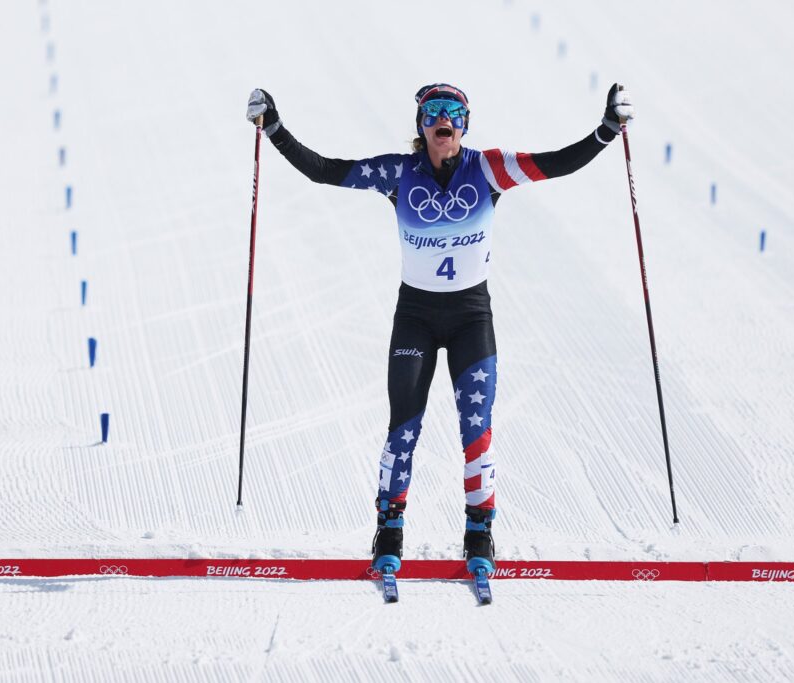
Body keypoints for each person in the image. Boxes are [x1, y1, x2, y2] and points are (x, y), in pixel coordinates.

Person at [245, 82, 634, 576]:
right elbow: (325, 171)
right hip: (417, 319)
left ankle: (479, 532)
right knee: (403, 427)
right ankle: (389, 530)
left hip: (472, 317)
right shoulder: (398, 173)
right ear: (421, 125)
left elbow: (555, 163)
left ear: (465, 124)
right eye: (432, 113)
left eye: (453, 114)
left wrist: (605, 131)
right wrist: (274, 128)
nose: (442, 122)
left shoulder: (488, 168)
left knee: (477, 432)